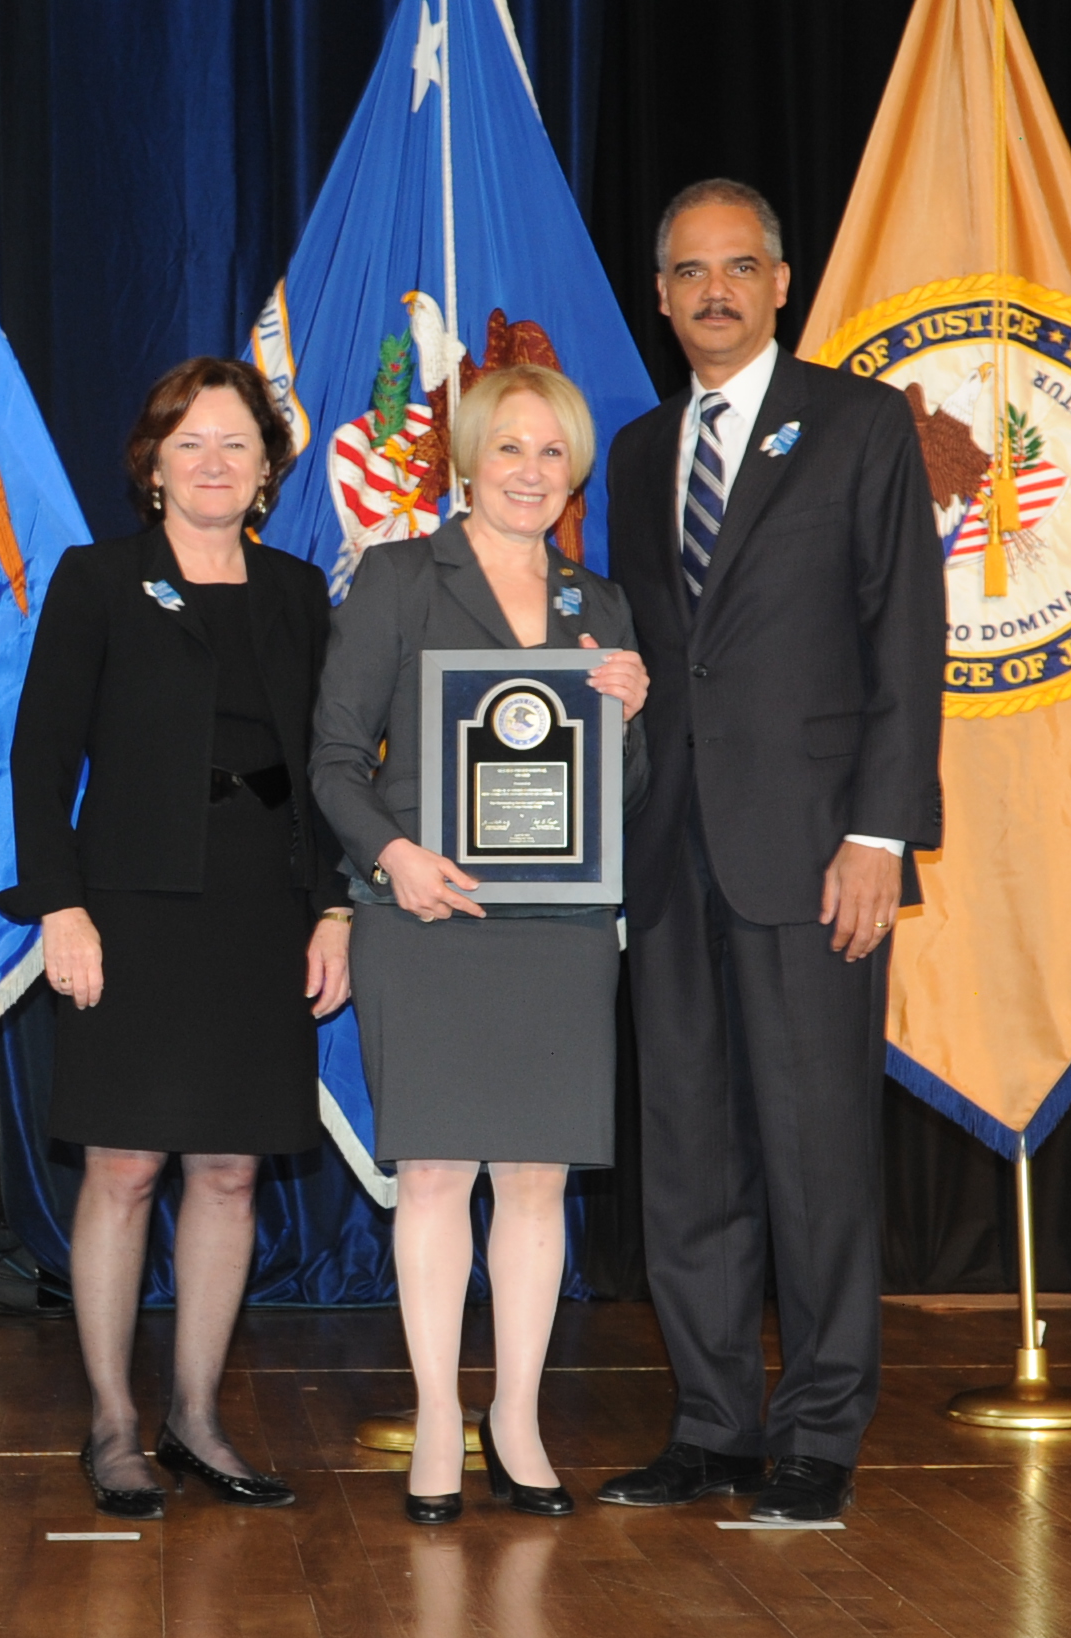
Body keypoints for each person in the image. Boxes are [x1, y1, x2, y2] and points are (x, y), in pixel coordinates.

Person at [599, 180, 945, 1524]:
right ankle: (711, 1423)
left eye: (740, 268)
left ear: (784, 281)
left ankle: (817, 1431)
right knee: (687, 1148)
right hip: (666, 848)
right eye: (690, 272)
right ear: (664, 290)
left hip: (813, 851)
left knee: (813, 1150)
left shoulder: (858, 425)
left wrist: (879, 833)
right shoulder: (634, 453)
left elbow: (905, 639)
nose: (715, 293)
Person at [0, 357, 355, 1520]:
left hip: (263, 910)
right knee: (124, 1163)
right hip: (131, 913)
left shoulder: (300, 592)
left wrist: (337, 907)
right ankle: (110, 1423)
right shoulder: (100, 580)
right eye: (190, 442)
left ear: (267, 472)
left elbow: (337, 769)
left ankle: (197, 1416)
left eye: (237, 445)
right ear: (153, 466)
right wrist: (60, 905)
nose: (214, 462)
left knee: (233, 1167)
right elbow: (42, 757)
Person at [311, 364, 650, 1525]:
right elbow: (333, 758)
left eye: (552, 453)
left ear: (576, 473)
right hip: (426, 918)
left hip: (557, 931)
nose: (529, 472)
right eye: (509, 448)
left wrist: (629, 713)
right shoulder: (402, 576)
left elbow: (624, 794)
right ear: (466, 457)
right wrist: (393, 859)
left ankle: (518, 1418)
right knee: (440, 1178)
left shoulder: (597, 603)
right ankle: (440, 1424)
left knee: (538, 1183)